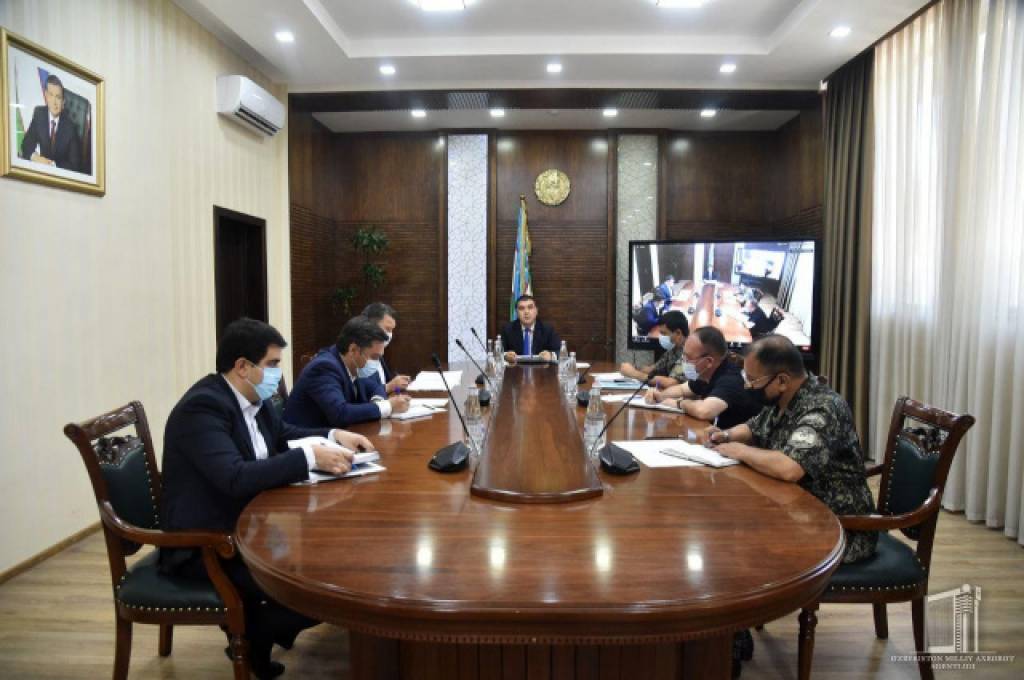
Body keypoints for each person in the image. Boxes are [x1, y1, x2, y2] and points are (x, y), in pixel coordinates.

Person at [159, 318, 374, 678]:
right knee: (316, 588)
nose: (277, 374)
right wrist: (309, 457)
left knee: (332, 563)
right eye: (272, 364)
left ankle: (259, 633)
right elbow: (234, 477)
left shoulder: (250, 397)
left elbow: (283, 433)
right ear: (242, 366)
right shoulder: (203, 408)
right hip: (207, 542)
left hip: (249, 523)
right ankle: (255, 634)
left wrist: (335, 435)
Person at [706, 334, 878, 564]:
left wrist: (739, 451)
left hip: (838, 527)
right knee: (728, 526)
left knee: (741, 548)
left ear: (782, 381)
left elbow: (790, 468)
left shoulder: (823, 408)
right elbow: (753, 427)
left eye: (753, 380)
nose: (748, 386)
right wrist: (725, 435)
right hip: (795, 510)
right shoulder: (783, 398)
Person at [284, 316, 411, 427]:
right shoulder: (324, 367)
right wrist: (388, 406)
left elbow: (375, 387)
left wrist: (378, 401)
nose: (376, 363)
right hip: (308, 440)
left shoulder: (353, 365)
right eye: (374, 357)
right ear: (353, 350)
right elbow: (340, 413)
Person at [645, 326, 761, 429]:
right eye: (683, 356)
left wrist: (679, 403)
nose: (684, 362)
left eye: (688, 358)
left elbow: (704, 411)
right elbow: (682, 389)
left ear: (708, 362)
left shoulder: (731, 379)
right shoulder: (705, 374)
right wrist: (660, 396)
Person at [19, 74, 82, 171]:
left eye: (58, 97)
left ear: (63, 102)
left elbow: (75, 165)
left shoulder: (71, 128)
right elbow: (26, 144)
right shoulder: (39, 113)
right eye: (51, 95)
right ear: (46, 96)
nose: (54, 102)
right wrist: (35, 158)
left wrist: (52, 165)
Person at [620, 310, 689, 386]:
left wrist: (634, 374)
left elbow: (671, 383)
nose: (661, 337)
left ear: (678, 333)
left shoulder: (689, 352)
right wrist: (633, 369)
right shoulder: (673, 350)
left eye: (664, 333)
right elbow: (652, 369)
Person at [360, 302, 410, 395]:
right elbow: (363, 395)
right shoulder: (358, 357)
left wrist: (397, 388)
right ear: (370, 326)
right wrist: (390, 386)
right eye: (387, 329)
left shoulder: (378, 352)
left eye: (392, 330)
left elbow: (386, 386)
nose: (390, 335)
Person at [501, 294, 562, 362]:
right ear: (517, 313)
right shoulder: (508, 329)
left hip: (541, 368)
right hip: (516, 367)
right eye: (521, 308)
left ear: (536, 311)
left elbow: (560, 352)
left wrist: (550, 355)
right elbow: (499, 352)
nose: (526, 312)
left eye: (530, 307)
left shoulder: (547, 329)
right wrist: (506, 356)